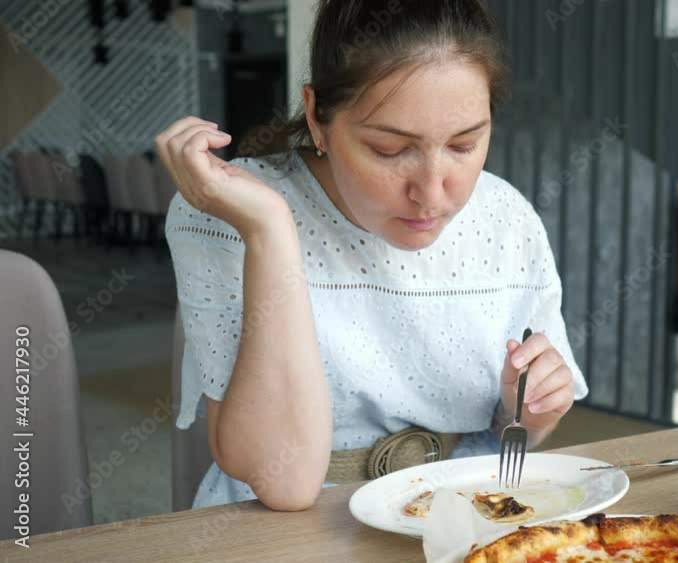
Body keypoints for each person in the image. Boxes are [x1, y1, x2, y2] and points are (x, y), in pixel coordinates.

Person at [157, 0, 587, 512]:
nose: (432, 193)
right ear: (317, 115)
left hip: (463, 512)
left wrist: (529, 412)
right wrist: (269, 231)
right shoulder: (228, 210)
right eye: (390, 150)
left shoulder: (506, 218)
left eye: (464, 145)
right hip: (285, 530)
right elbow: (285, 485)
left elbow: (509, 436)